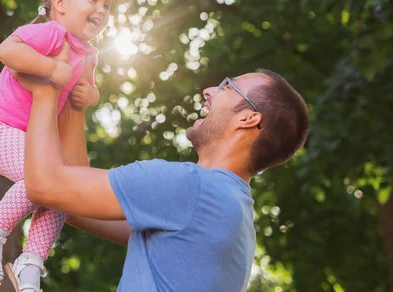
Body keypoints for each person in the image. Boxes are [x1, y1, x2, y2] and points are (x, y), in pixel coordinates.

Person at [18, 62, 310, 292]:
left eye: (228, 87)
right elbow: (74, 201)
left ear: (248, 118)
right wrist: (75, 98)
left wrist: (46, 89)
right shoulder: (229, 212)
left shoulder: (191, 187)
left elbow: (45, 186)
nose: (209, 90)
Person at [0, 0, 113, 291]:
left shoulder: (89, 54)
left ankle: (31, 261)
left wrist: (91, 94)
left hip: (32, 139)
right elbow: (7, 50)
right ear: (60, 4)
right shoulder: (50, 33)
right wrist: (50, 68)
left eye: (107, 5)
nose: (101, 9)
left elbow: (86, 87)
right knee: (42, 181)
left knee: (62, 193)